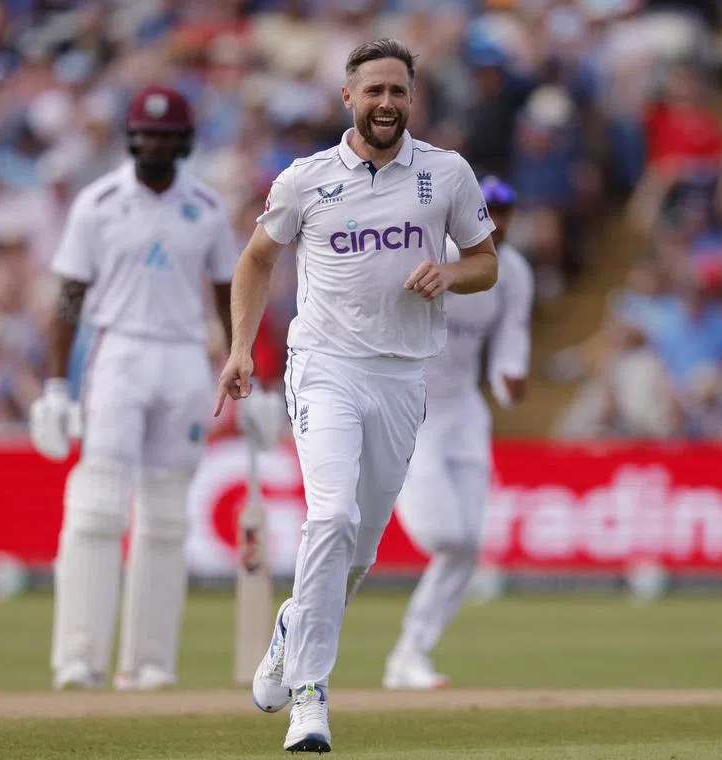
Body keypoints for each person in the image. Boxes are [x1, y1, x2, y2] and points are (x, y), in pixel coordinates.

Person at [214, 38, 499, 754]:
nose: (386, 104)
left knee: (358, 555)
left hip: (404, 376)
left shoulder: (446, 173)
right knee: (331, 516)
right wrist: (241, 348)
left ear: (413, 98)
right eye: (373, 91)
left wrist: (449, 274)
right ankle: (310, 699)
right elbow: (254, 261)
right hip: (326, 369)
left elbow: (486, 263)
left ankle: (292, 628)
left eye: (398, 92)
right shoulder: (306, 179)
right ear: (348, 98)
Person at [29, 85, 240, 692]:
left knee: (167, 514)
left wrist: (242, 361)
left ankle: (150, 662)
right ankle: (80, 657)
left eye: (168, 135)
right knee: (97, 504)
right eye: (147, 134)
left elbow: (229, 291)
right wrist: (53, 385)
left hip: (182, 358)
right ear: (130, 137)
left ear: (185, 141)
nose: (156, 144)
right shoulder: (98, 203)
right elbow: (68, 298)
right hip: (117, 350)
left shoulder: (205, 206)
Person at [383, 176, 533, 690]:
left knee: (467, 546)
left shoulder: (513, 271)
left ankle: (410, 654)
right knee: (446, 534)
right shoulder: (436, 254)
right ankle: (388, 481)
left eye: (506, 211)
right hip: (416, 407)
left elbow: (511, 339)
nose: (500, 220)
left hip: (466, 411)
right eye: (490, 210)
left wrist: (509, 379)